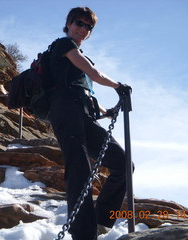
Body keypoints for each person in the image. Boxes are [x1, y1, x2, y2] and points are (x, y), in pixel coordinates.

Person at [47, 7, 132, 240]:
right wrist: (118, 86)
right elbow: (94, 73)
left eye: (88, 26)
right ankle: (83, 234)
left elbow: (86, 94)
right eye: (78, 23)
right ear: (68, 24)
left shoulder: (77, 61)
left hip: (83, 114)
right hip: (64, 110)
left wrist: (108, 112)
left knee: (124, 164)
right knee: (80, 170)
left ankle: (101, 219)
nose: (83, 29)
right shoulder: (64, 46)